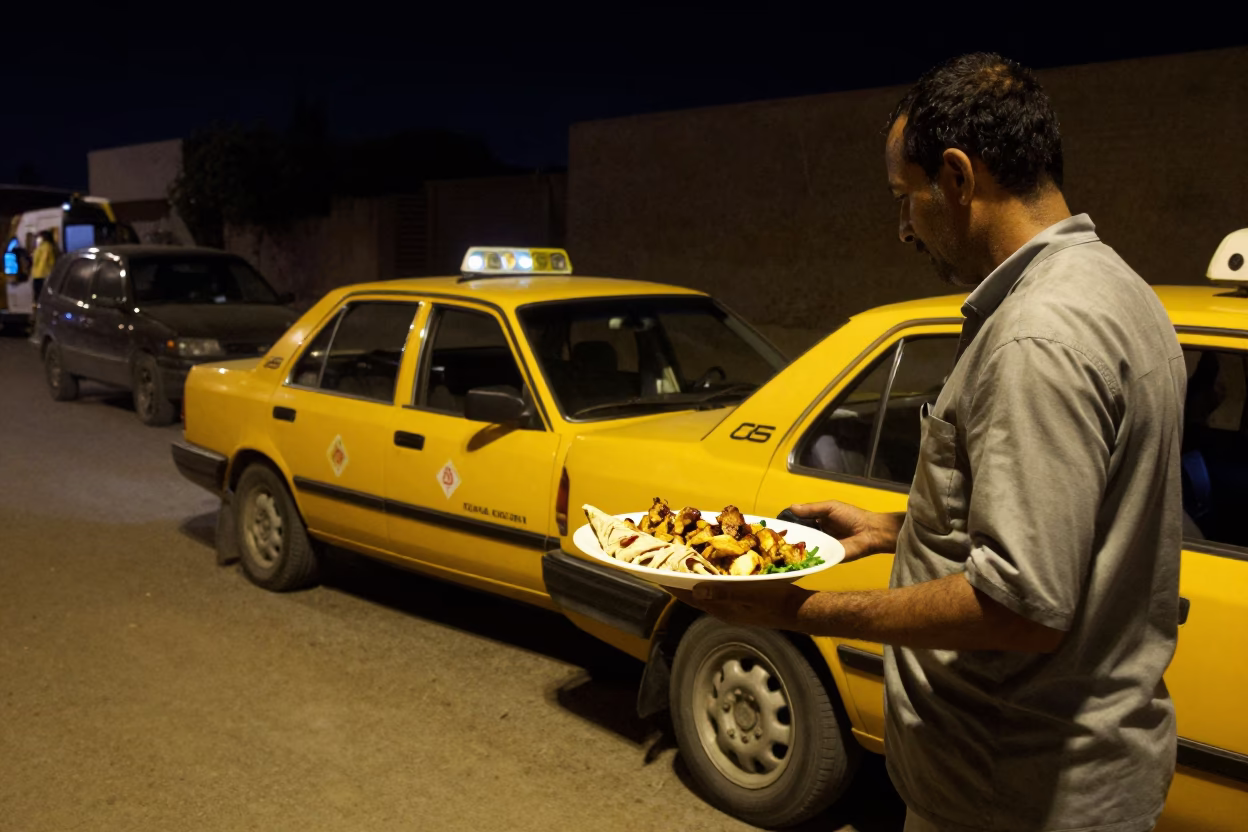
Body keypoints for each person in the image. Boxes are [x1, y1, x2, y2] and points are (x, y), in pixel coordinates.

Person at [678, 53, 1185, 832]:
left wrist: (794, 609)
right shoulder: (1122, 290)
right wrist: (895, 530)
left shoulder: (1036, 338)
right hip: (1072, 780)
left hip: (1008, 793)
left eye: (904, 199)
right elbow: (1075, 531)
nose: (903, 229)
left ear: (956, 179)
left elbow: (1020, 607)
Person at [30, 230, 59, 300]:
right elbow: (52, 262)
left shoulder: (39, 248)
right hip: (46, 275)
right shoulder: (50, 247)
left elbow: (35, 260)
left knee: (37, 296)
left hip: (36, 275)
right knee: (46, 297)